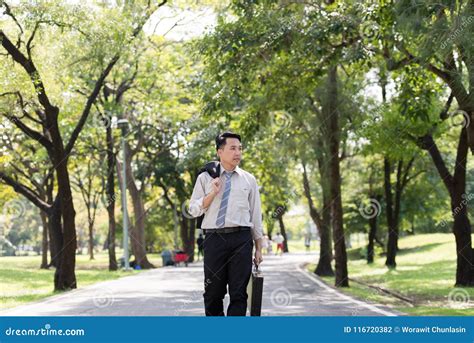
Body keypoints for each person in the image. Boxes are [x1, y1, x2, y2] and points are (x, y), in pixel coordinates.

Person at [188, 132, 263, 316]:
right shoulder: (205, 178)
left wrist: (259, 247)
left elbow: (256, 215)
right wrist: (212, 193)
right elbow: (193, 210)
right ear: (219, 152)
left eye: (240, 148)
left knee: (239, 294)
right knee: (213, 294)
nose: (237, 152)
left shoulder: (249, 179)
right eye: (232, 148)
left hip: (241, 238)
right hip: (214, 238)